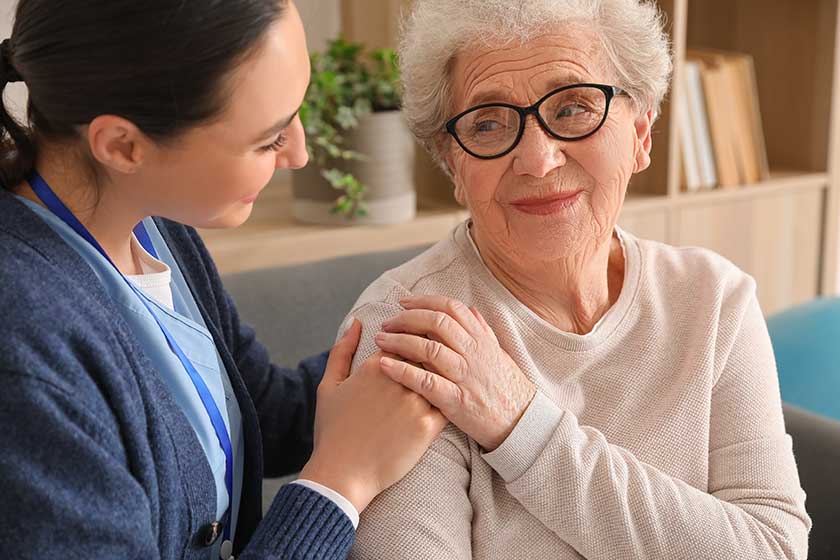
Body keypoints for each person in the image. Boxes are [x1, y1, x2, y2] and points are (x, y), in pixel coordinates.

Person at [344, 0, 812, 558]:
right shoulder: (412, 330)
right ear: (453, 166)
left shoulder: (714, 300)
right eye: (488, 123)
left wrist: (523, 427)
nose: (538, 159)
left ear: (641, 134)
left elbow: (773, 548)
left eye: (573, 109)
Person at [0, 1, 446, 558]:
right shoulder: (24, 357)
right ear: (122, 146)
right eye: (268, 140)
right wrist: (340, 483)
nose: (301, 154)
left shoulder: (153, 225)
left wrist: (410, 351)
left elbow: (259, 407)